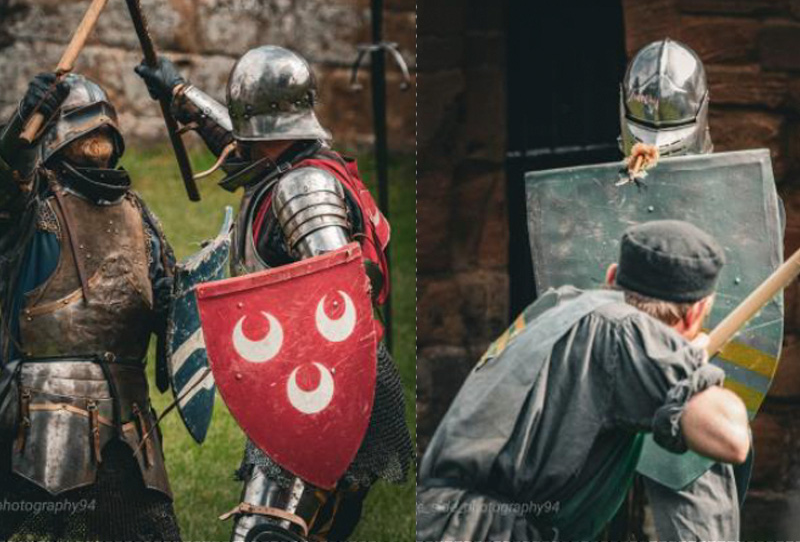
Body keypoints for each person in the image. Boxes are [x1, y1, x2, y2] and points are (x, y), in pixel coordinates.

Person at [135, 45, 413, 541]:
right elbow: (239, 144)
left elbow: (337, 287)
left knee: (268, 533)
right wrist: (181, 94)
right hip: (318, 385)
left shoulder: (301, 187)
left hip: (321, 389)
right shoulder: (292, 164)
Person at [415, 220, 750, 542]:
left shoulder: (559, 307)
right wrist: (693, 369)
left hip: (442, 520)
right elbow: (731, 440)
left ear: (611, 277)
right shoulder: (622, 330)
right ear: (696, 312)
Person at [0, 73, 180, 540]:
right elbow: (5, 180)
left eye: (103, 129)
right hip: (39, 417)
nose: (96, 135)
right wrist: (22, 124)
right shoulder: (32, 206)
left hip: (131, 424)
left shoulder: (139, 216)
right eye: (84, 127)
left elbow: (171, 312)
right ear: (55, 138)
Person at [620, 38, 751, 541]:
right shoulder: (604, 193)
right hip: (625, 368)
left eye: (670, 123)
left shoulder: (733, 197)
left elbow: (745, 288)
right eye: (644, 120)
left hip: (698, 381)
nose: (654, 137)